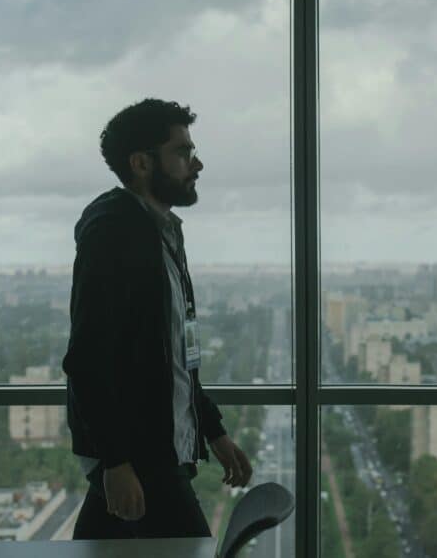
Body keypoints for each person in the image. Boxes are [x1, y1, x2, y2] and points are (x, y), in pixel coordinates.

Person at [63, 98, 253, 540]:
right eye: (183, 152)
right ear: (142, 163)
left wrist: (213, 431)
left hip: (159, 451)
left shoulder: (162, 230)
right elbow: (88, 358)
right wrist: (115, 462)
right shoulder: (115, 232)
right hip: (141, 455)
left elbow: (174, 356)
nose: (197, 163)